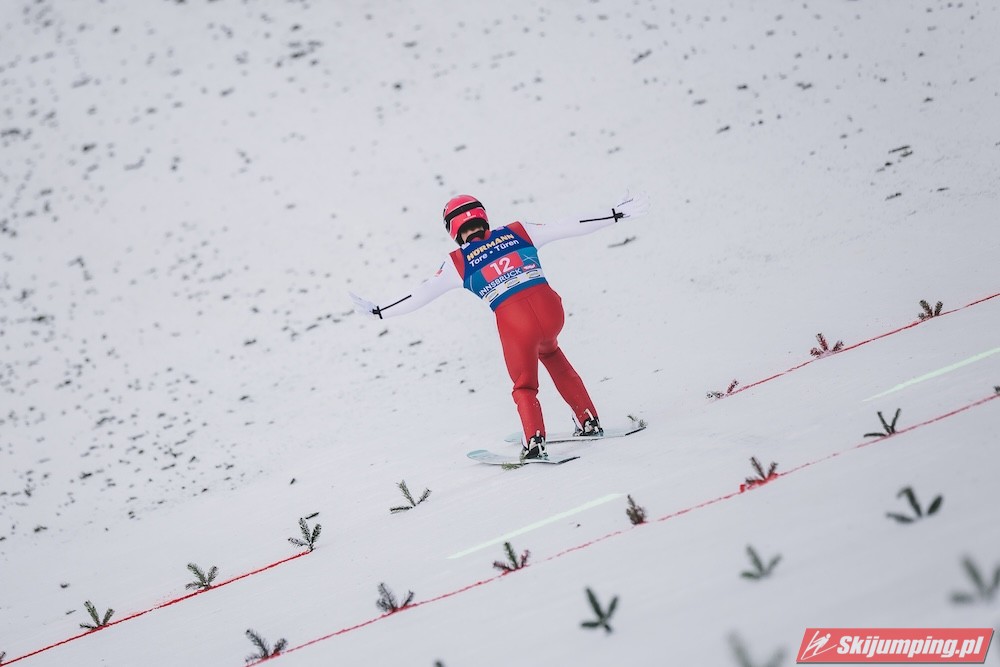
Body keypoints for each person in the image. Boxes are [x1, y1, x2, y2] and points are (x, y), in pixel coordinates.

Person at [350, 191, 649, 460]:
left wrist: (380, 311)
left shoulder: (458, 262)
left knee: (524, 384)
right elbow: (567, 225)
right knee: (552, 354)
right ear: (482, 216)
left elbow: (422, 293)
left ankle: (534, 441)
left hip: (515, 322)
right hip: (551, 311)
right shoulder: (518, 231)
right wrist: (614, 214)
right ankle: (588, 419)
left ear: (452, 230)